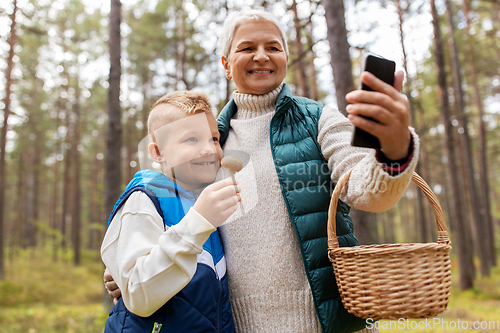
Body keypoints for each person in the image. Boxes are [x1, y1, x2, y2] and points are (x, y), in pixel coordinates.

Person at [106, 9, 419, 333]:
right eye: (246, 48)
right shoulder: (208, 141)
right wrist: (126, 264)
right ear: (226, 64)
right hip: (235, 326)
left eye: (273, 47)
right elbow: (171, 218)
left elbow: (369, 192)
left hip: (328, 322)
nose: (261, 56)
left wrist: (394, 148)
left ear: (285, 56)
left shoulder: (318, 120)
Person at [101, 90, 239, 333]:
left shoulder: (206, 204)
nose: (208, 149)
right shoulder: (144, 199)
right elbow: (138, 295)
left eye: (214, 139)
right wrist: (199, 222)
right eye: (191, 140)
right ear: (157, 153)